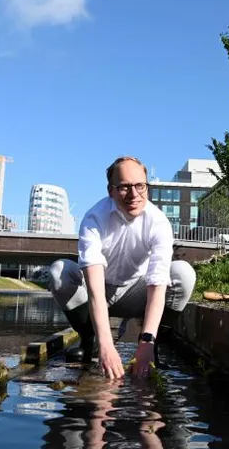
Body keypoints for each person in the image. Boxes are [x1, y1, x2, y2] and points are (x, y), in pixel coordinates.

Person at [48, 156, 196, 379]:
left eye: (140, 186)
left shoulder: (159, 222)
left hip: (137, 293)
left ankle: (152, 346)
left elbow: (157, 284)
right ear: (111, 190)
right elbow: (95, 289)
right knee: (59, 271)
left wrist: (146, 341)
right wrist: (107, 345)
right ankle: (91, 340)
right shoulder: (93, 219)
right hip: (101, 292)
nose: (134, 194)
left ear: (147, 186)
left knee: (183, 273)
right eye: (124, 187)